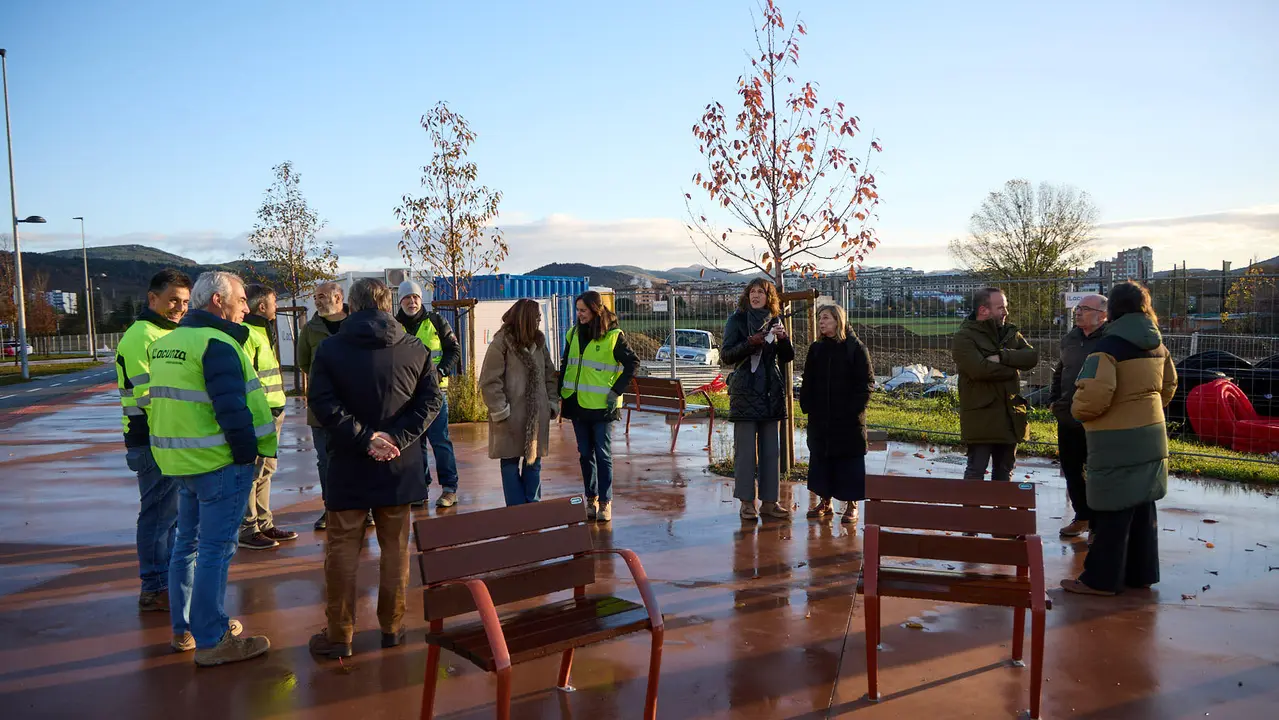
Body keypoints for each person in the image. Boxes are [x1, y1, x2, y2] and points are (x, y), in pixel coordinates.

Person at [307, 278, 443, 658]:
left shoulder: (330, 349)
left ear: (351, 304)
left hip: (348, 462)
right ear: (388, 304)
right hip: (398, 466)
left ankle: (340, 634)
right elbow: (431, 403)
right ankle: (392, 627)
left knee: (343, 550)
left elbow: (322, 402)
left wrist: (365, 437)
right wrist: (395, 439)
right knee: (395, 549)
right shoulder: (415, 349)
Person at [148, 270, 274, 666]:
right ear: (218, 302)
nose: (245, 309)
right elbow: (232, 409)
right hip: (219, 462)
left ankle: (185, 629)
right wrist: (245, 455)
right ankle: (213, 638)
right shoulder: (217, 343)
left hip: (182, 462)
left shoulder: (169, 343)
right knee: (217, 549)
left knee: (187, 544)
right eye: (240, 302)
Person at [1063, 281, 1177, 596]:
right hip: (1152, 434)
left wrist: (1076, 411)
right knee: (1142, 504)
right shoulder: (1158, 345)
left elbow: (1092, 399)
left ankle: (1100, 580)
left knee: (1112, 508)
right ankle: (1141, 573)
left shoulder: (1106, 349)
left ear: (1112, 310)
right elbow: (1169, 388)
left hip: (1115, 439)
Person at [115, 268, 192, 613]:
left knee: (169, 516)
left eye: (185, 301)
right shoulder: (141, 337)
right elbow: (150, 395)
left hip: (167, 437)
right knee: (158, 515)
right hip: (150, 439)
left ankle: (163, 581)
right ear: (152, 299)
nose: (180, 307)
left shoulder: (164, 334)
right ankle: (154, 585)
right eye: (173, 300)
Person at [559, 290, 639, 523]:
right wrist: (559, 396)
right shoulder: (573, 333)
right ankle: (590, 499)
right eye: (578, 310)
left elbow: (632, 363)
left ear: (595, 310)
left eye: (583, 310)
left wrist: (616, 391)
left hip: (603, 405)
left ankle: (605, 502)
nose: (579, 314)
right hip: (576, 403)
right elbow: (566, 364)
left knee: (602, 455)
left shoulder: (613, 335)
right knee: (585, 454)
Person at [722, 279, 794, 521]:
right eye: (752, 291)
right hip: (744, 391)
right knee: (744, 453)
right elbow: (726, 356)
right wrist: (749, 343)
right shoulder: (737, 320)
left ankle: (770, 503)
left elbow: (787, 357)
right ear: (747, 295)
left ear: (768, 296)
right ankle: (746, 503)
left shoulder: (775, 320)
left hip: (770, 392)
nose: (755, 295)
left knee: (771, 451)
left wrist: (784, 339)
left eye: (760, 292)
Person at [951, 287, 1040, 483]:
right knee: (976, 471)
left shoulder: (1010, 333)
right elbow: (979, 370)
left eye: (1005, 307)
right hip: (982, 417)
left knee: (1004, 472)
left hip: (1010, 415)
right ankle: (973, 514)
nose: (1005, 312)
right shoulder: (965, 337)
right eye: (1001, 307)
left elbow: (1031, 356)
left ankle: (1002, 513)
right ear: (984, 310)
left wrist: (1002, 356)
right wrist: (1012, 370)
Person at [480, 299, 559, 506]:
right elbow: (489, 381)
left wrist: (551, 404)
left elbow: (550, 375)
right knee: (509, 464)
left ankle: (532, 509)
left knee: (534, 463)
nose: (539, 321)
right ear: (525, 318)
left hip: (537, 417)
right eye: (536, 317)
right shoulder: (501, 343)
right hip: (510, 418)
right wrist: (501, 411)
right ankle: (516, 512)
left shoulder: (539, 343)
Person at [800, 304, 875, 525]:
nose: (821, 322)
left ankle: (852, 505)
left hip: (848, 420)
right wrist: (808, 406)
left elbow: (867, 383)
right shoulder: (817, 349)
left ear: (838, 321)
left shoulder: (855, 348)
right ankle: (826, 501)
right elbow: (808, 380)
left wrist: (853, 409)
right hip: (821, 418)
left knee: (848, 462)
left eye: (825, 318)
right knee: (822, 460)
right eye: (819, 318)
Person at [237, 284, 298, 550]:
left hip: (273, 411)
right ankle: (249, 527)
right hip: (259, 414)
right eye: (274, 301)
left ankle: (264, 522)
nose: (276, 306)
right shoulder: (248, 334)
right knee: (253, 470)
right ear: (262, 306)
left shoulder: (263, 330)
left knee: (266, 470)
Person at [395, 280, 462, 508]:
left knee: (440, 441)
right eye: (407, 298)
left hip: (434, 394)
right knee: (415, 444)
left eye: (415, 297)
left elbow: (454, 350)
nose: (412, 302)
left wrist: (441, 370)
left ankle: (449, 488)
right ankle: (420, 489)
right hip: (406, 397)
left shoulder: (436, 321)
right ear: (400, 300)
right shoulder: (394, 326)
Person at [297, 280, 354, 531]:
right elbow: (303, 363)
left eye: (322, 296)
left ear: (338, 297)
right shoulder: (310, 329)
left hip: (356, 405)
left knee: (358, 457)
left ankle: (364, 508)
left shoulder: (356, 324)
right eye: (315, 297)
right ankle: (330, 508)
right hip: (321, 408)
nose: (317, 301)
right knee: (326, 460)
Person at [1050, 294, 1108, 538]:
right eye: (1078, 308)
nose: (1078, 312)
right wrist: (1055, 401)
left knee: (1098, 472)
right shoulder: (1070, 339)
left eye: (1085, 308)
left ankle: (1098, 525)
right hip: (1068, 415)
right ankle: (1081, 516)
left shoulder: (1111, 341)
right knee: (1072, 469)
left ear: (1103, 315)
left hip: (1098, 418)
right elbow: (1060, 370)